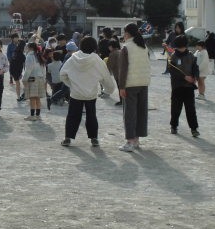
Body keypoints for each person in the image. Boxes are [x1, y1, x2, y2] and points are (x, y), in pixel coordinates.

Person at [60, 36, 115, 148]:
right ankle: (94, 139)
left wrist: (72, 85)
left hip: (76, 94)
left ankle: (68, 138)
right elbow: (106, 78)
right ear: (95, 46)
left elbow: (62, 74)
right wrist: (108, 90)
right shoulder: (97, 60)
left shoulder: (73, 58)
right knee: (91, 116)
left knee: (72, 116)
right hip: (91, 94)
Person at [117, 23, 151, 151]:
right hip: (143, 82)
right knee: (141, 112)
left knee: (130, 113)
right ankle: (136, 140)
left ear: (127, 33)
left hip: (130, 84)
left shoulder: (126, 47)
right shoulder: (144, 46)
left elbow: (123, 69)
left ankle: (130, 141)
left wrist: (121, 86)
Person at [168, 35, 200, 137]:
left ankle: (194, 128)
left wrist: (195, 77)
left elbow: (195, 67)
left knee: (190, 109)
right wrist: (184, 77)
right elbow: (172, 71)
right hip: (177, 86)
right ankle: (173, 126)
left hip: (189, 87)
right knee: (175, 108)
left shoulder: (191, 55)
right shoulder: (173, 56)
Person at [22, 42, 47, 121]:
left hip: (32, 78)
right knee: (38, 97)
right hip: (40, 78)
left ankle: (32, 115)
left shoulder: (30, 56)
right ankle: (38, 115)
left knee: (32, 97)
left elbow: (29, 69)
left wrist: (24, 79)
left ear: (30, 48)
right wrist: (44, 79)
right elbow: (44, 69)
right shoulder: (39, 55)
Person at [106, 39, 122, 105]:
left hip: (117, 74)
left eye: (109, 46)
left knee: (120, 87)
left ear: (111, 46)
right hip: (124, 73)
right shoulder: (120, 51)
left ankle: (122, 101)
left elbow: (110, 65)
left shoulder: (112, 54)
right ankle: (124, 100)